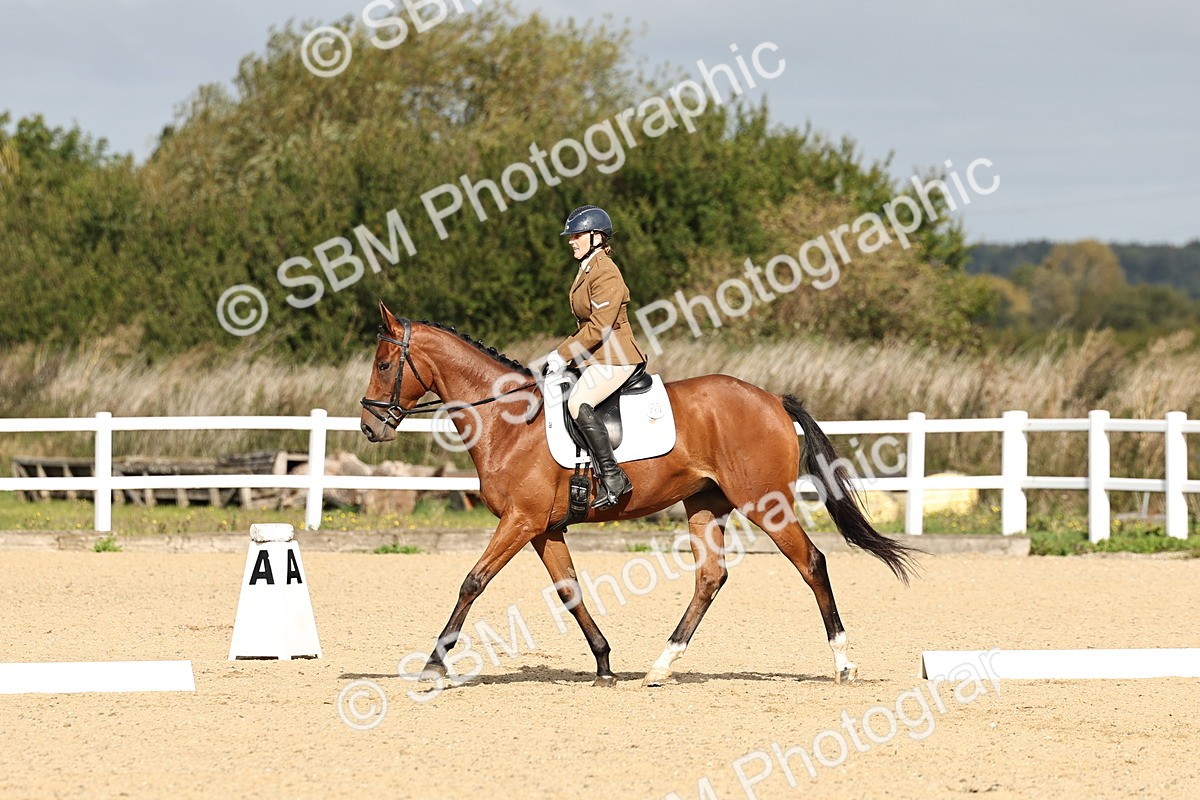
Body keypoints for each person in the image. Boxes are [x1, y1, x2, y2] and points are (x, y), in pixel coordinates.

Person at [543, 205, 647, 509]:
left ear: (596, 236)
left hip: (617, 356)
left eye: (577, 235)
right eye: (571, 235)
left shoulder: (606, 273)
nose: (571, 241)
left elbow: (599, 328)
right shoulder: (588, 268)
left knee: (577, 402)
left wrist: (562, 354)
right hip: (596, 356)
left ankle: (613, 476)